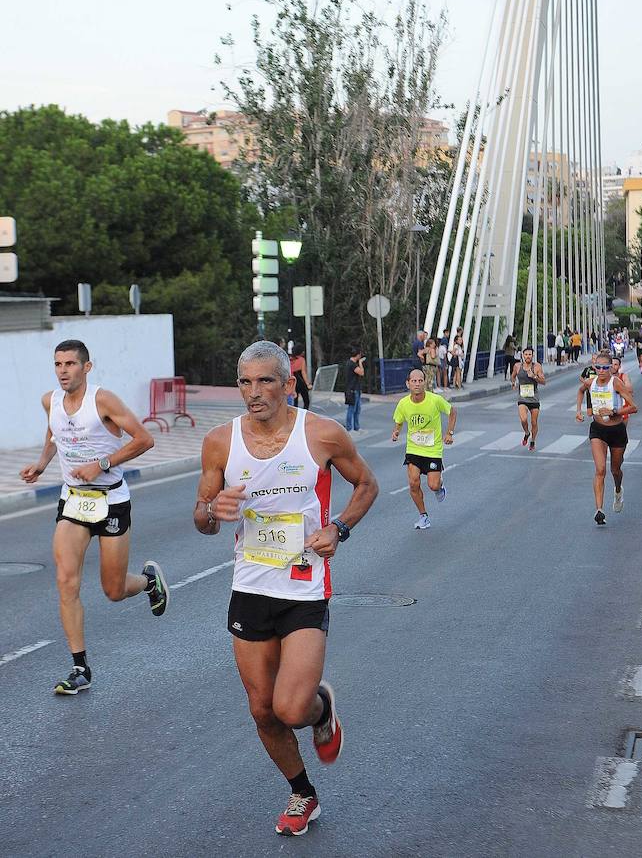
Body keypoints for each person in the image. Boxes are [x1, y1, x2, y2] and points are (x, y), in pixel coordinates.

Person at [193, 341, 378, 836]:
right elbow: (201, 515)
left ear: (288, 384)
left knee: (291, 708)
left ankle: (320, 706)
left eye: (265, 381)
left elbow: (367, 485)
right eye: (245, 383)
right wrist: (214, 512)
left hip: (304, 585)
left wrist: (338, 529)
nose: (254, 393)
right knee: (261, 708)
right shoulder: (219, 442)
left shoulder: (321, 434)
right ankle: (303, 792)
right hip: (250, 587)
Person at [19, 340, 168, 695]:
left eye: (70, 364)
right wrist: (42, 464)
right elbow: (55, 433)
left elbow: (144, 439)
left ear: (87, 367)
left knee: (113, 590)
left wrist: (100, 464)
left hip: (111, 500)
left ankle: (149, 582)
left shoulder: (103, 401)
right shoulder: (49, 401)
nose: (63, 370)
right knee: (66, 582)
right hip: (72, 501)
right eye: (58, 364)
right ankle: (79, 667)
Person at [576, 350, 637, 525]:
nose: (602, 370)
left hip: (617, 430)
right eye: (599, 367)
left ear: (611, 368)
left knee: (615, 470)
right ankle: (599, 510)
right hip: (598, 430)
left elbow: (633, 407)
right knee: (600, 469)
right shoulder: (590, 382)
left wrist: (614, 411)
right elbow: (580, 391)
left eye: (605, 367)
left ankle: (618, 490)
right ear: (595, 367)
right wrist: (578, 411)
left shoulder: (616, 383)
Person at [391, 368, 457, 529]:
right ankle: (423, 516)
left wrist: (449, 433)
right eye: (414, 381)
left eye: (420, 380)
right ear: (408, 383)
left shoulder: (435, 400)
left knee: (432, 485)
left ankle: (440, 485)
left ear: (425, 383)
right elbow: (399, 420)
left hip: (432, 449)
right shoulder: (403, 403)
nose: (417, 384)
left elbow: (452, 411)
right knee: (413, 483)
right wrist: (396, 431)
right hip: (413, 449)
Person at [511, 346, 545, 451]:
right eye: (526, 354)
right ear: (522, 355)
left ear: (532, 355)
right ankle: (526, 432)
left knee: (534, 422)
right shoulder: (517, 366)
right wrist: (513, 383)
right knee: (523, 419)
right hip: (522, 398)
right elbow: (513, 376)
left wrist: (534, 376)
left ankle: (532, 441)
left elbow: (543, 381)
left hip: (534, 399)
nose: (528, 356)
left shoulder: (537, 366)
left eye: (530, 354)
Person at [344, 347, 365, 432]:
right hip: (353, 390)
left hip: (355, 389)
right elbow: (361, 373)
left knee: (357, 409)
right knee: (352, 409)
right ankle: (349, 427)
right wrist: (360, 363)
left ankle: (356, 426)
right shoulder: (352, 364)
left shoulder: (350, 363)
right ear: (358, 355)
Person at [611, 356, 633, 425]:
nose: (613, 367)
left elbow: (629, 389)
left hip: (623, 408)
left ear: (619, 366)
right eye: (611, 364)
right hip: (609, 408)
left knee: (622, 432)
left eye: (615, 365)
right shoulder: (606, 377)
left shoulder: (623, 376)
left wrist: (618, 389)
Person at [290, 343, 312, 410]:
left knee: (295, 402)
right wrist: (308, 384)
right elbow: (303, 372)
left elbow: (290, 372)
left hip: (293, 381)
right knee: (306, 401)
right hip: (301, 381)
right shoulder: (301, 360)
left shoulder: (290, 359)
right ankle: (304, 414)